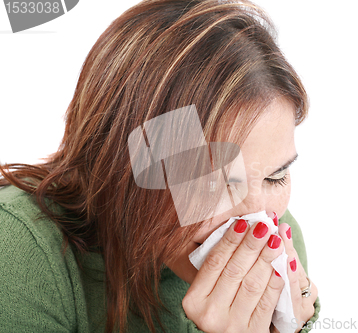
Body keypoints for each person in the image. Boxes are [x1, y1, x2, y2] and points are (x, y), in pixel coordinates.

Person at [0, 0, 320, 332]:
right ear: (123, 168)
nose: (257, 221)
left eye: (276, 176)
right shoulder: (18, 251)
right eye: (214, 181)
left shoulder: (280, 243)